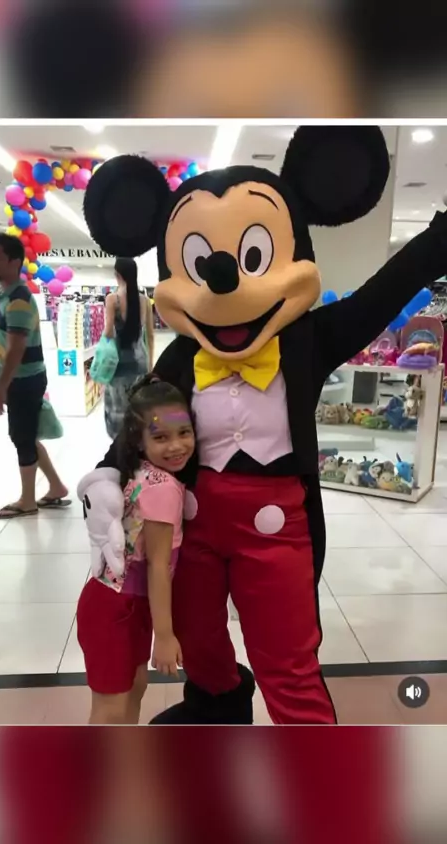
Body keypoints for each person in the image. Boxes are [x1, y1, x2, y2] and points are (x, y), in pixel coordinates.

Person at [80, 128, 447, 725]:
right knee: (199, 639)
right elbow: (144, 426)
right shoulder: (182, 359)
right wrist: (106, 474)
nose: (225, 280)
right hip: (194, 525)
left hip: (278, 529)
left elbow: (383, 294)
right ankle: (219, 707)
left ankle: (310, 750)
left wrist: (439, 240)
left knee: (286, 653)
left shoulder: (308, 340)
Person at [77, 374, 196, 724]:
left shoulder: (142, 472)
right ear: (139, 440)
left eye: (184, 432)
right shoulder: (163, 489)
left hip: (122, 605)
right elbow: (158, 567)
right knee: (112, 708)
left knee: (133, 688)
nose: (176, 446)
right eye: (160, 437)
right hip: (118, 608)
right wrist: (165, 636)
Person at [0, 233, 71, 519]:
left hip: (22, 380)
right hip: (24, 379)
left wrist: (1, 388)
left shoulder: (19, 299)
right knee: (28, 434)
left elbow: (16, 348)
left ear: (14, 261)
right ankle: (56, 486)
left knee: (21, 438)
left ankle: (27, 500)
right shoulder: (8, 295)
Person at [103, 257, 155, 439]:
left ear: (117, 274)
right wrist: (150, 365)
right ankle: (138, 442)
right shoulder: (145, 301)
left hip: (118, 363)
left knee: (118, 408)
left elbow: (108, 333)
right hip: (140, 360)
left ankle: (120, 445)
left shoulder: (112, 299)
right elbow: (150, 336)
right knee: (138, 406)